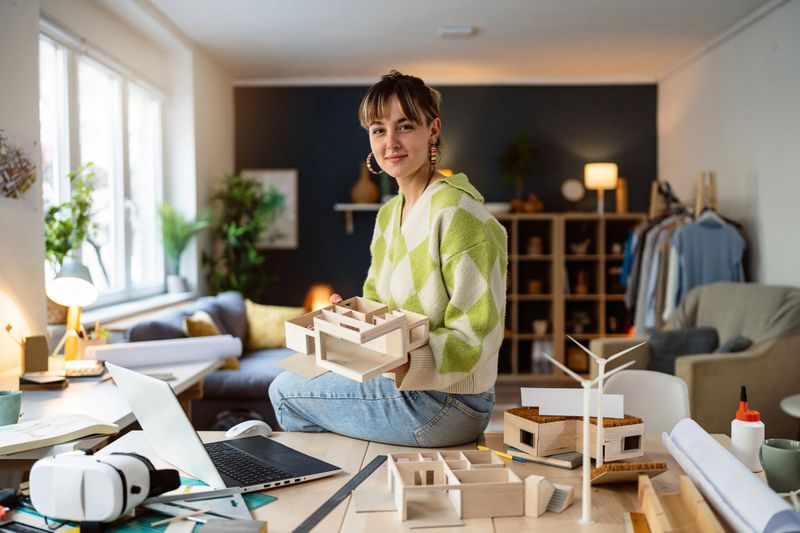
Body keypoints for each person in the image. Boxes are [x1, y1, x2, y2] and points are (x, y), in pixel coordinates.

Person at [269, 71, 507, 447]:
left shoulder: (461, 214)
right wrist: (350, 319)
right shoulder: (388, 214)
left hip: (449, 403)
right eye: (378, 130)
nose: (390, 142)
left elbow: (478, 337)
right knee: (294, 377)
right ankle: (365, 467)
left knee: (284, 392)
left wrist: (405, 360)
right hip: (396, 381)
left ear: (433, 130)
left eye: (405, 126)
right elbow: (382, 307)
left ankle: (350, 472)